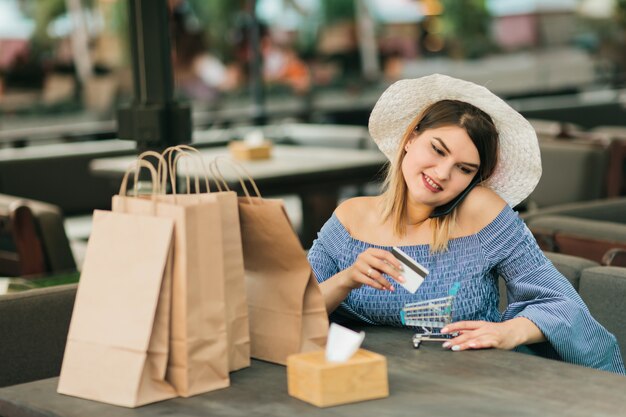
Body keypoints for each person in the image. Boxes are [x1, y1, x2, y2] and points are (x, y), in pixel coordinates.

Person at [307, 74, 626, 375]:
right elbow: (292, 310)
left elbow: (562, 304)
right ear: (411, 137)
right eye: (437, 149)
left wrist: (507, 332)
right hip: (365, 378)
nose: (443, 173)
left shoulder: (482, 214)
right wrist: (346, 279)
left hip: (477, 381)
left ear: (476, 178)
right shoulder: (350, 219)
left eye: (464, 168)